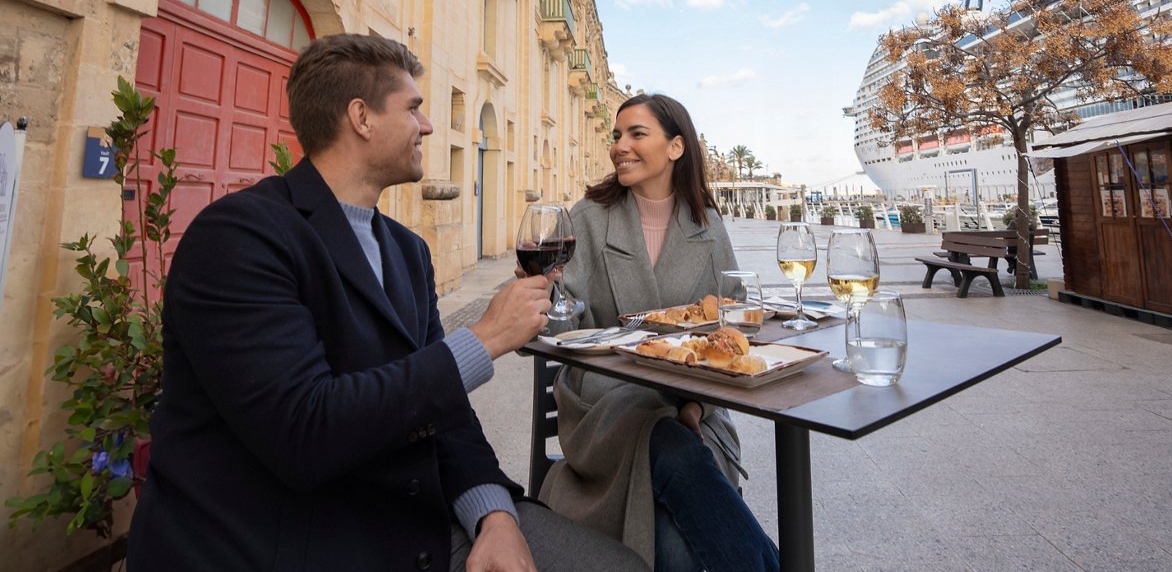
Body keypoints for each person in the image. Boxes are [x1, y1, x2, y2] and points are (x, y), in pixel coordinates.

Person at [128, 34, 647, 572]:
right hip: (287, 540)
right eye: (414, 108)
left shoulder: (406, 250)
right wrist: (486, 338)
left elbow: (443, 408)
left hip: (412, 521)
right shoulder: (238, 236)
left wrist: (492, 513)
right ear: (361, 117)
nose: (427, 126)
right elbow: (303, 432)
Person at [539, 93, 781, 572]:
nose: (619, 146)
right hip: (603, 404)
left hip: (691, 404)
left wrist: (698, 404)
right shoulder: (588, 216)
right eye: (616, 135)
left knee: (672, 541)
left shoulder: (708, 226)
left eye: (636, 134)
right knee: (662, 431)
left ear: (675, 147)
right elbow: (561, 325)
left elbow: (735, 329)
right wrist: (543, 290)